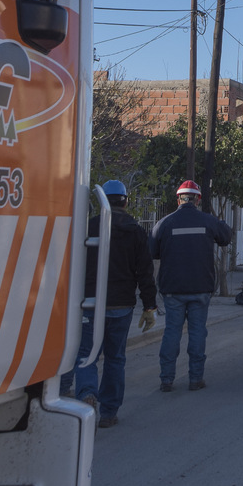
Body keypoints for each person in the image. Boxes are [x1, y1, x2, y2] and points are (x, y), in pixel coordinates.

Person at [70, 179, 157, 428]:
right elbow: (145, 272)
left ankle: (87, 394)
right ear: (126, 201)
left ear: (102, 201)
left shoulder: (88, 227)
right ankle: (109, 412)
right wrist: (149, 305)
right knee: (115, 359)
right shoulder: (136, 231)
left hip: (89, 304)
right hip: (121, 307)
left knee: (86, 356)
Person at [150, 178, 233, 392]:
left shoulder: (164, 223)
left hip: (173, 288)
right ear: (197, 199)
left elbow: (153, 251)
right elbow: (226, 237)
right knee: (197, 333)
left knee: (171, 332)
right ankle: (195, 379)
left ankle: (166, 379)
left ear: (178, 199)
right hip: (200, 287)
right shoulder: (207, 221)